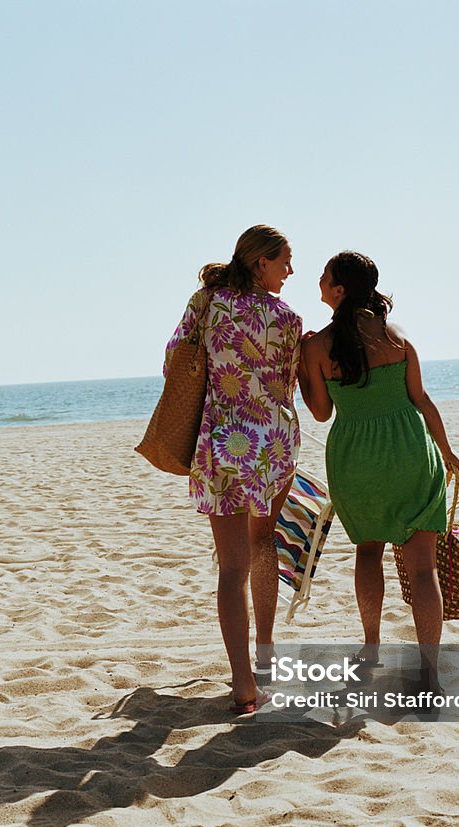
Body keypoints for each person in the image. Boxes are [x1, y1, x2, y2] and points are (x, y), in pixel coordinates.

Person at [298, 251, 459, 685]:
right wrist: (446, 451)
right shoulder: (397, 335)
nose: (318, 279)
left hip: (356, 459)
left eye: (324, 275)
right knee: (422, 567)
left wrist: (301, 364)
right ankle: (429, 671)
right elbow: (421, 400)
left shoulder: (316, 346)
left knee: (368, 551)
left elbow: (319, 411)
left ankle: (371, 648)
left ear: (338, 290)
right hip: (409, 451)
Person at [163, 225, 303, 714]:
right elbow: (288, 386)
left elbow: (173, 363)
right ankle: (266, 650)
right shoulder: (287, 318)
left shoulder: (208, 301)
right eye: (285, 259)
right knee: (263, 542)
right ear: (260, 262)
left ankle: (244, 684)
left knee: (232, 567)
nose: (291, 269)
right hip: (274, 445)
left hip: (223, 442)